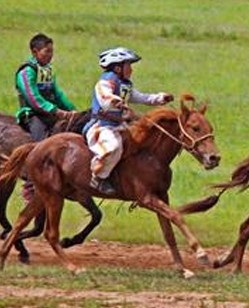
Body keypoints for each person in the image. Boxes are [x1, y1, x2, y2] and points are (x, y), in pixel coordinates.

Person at [81, 47, 173, 195]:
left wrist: (159, 98)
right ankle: (98, 177)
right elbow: (105, 98)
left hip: (120, 125)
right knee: (113, 147)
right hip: (102, 127)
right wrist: (116, 101)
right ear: (117, 67)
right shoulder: (105, 82)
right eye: (128, 65)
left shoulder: (125, 84)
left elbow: (141, 97)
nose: (131, 69)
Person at [15, 33, 77, 141]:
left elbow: (56, 94)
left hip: (49, 113)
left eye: (52, 51)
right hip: (33, 114)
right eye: (47, 51)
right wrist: (56, 111)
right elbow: (34, 99)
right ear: (35, 52)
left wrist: (72, 110)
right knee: (42, 143)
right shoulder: (27, 71)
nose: (50, 55)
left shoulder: (46, 69)